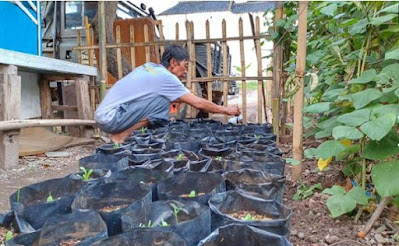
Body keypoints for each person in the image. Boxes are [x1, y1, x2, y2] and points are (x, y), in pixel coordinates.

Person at [95, 45, 240, 143]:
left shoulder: (150, 67)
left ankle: (133, 135)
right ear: (173, 62)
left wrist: (183, 96)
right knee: (161, 103)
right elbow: (198, 103)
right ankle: (121, 136)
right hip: (111, 119)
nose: (186, 71)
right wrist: (226, 110)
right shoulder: (166, 77)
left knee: (162, 101)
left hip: (106, 116)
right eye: (185, 66)